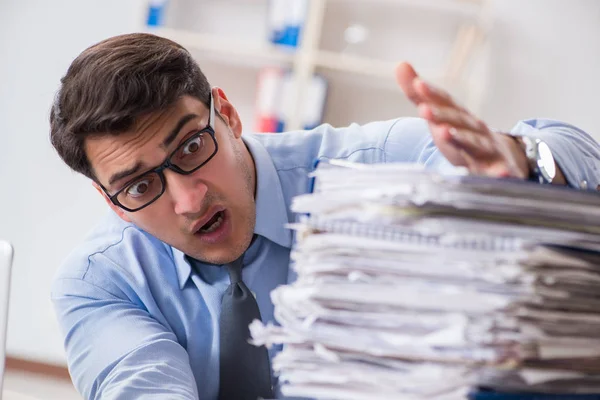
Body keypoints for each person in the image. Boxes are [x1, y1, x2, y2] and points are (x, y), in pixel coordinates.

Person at [49, 32, 600, 400]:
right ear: (110, 200)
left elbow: (568, 153)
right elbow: (141, 384)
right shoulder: (100, 280)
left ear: (229, 114)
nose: (190, 201)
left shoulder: (373, 164)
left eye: (192, 146)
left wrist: (526, 165)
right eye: (140, 186)